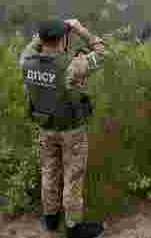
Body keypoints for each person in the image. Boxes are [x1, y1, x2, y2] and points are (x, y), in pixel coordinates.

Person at [19, 19, 108, 238]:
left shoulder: (26, 62)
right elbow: (102, 53)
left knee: (49, 172)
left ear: (41, 39)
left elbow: (33, 47)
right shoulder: (72, 66)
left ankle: (50, 219)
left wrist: (43, 35)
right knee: (72, 177)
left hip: (45, 127)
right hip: (71, 131)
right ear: (62, 39)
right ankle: (73, 227)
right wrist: (79, 29)